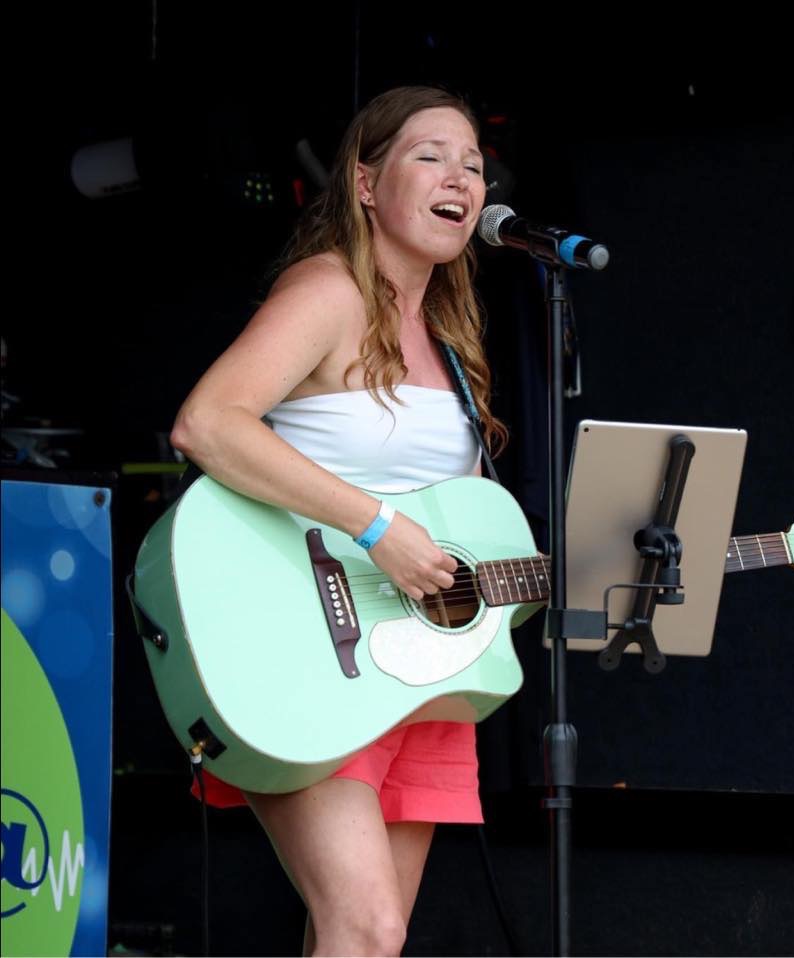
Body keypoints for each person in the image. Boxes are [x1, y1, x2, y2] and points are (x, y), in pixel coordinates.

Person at [169, 85, 508, 957]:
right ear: (364, 183)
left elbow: (451, 526)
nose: (460, 177)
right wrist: (374, 530)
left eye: (473, 163)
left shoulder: (451, 337)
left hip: (420, 670)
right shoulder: (327, 291)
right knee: (365, 925)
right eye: (431, 155)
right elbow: (208, 423)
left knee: (363, 940)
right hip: (307, 647)